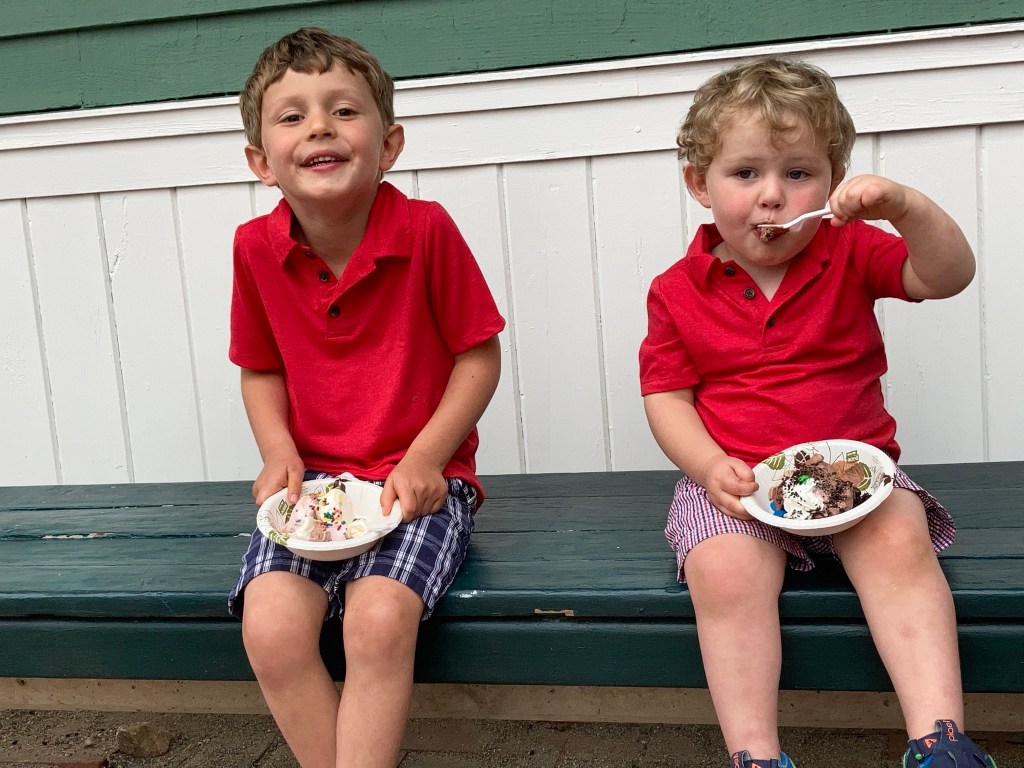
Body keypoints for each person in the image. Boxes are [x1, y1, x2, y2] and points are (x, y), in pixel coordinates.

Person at [639, 56, 996, 768]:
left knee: (899, 539)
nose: (772, 196)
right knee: (724, 572)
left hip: (852, 475)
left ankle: (940, 738)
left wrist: (907, 207)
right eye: (745, 174)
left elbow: (948, 275)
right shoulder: (677, 290)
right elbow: (667, 397)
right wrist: (708, 464)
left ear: (831, 183)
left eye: (798, 173)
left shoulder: (851, 250)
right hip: (741, 483)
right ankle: (755, 754)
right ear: (698, 183)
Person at [226, 27, 504, 768]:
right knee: (270, 629)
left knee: (378, 622)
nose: (319, 126)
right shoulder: (254, 250)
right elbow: (259, 370)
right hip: (311, 486)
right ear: (261, 162)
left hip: (413, 482)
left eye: (344, 110)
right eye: (292, 117)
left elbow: (478, 357)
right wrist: (277, 452)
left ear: (389, 144)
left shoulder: (426, 230)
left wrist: (427, 459)